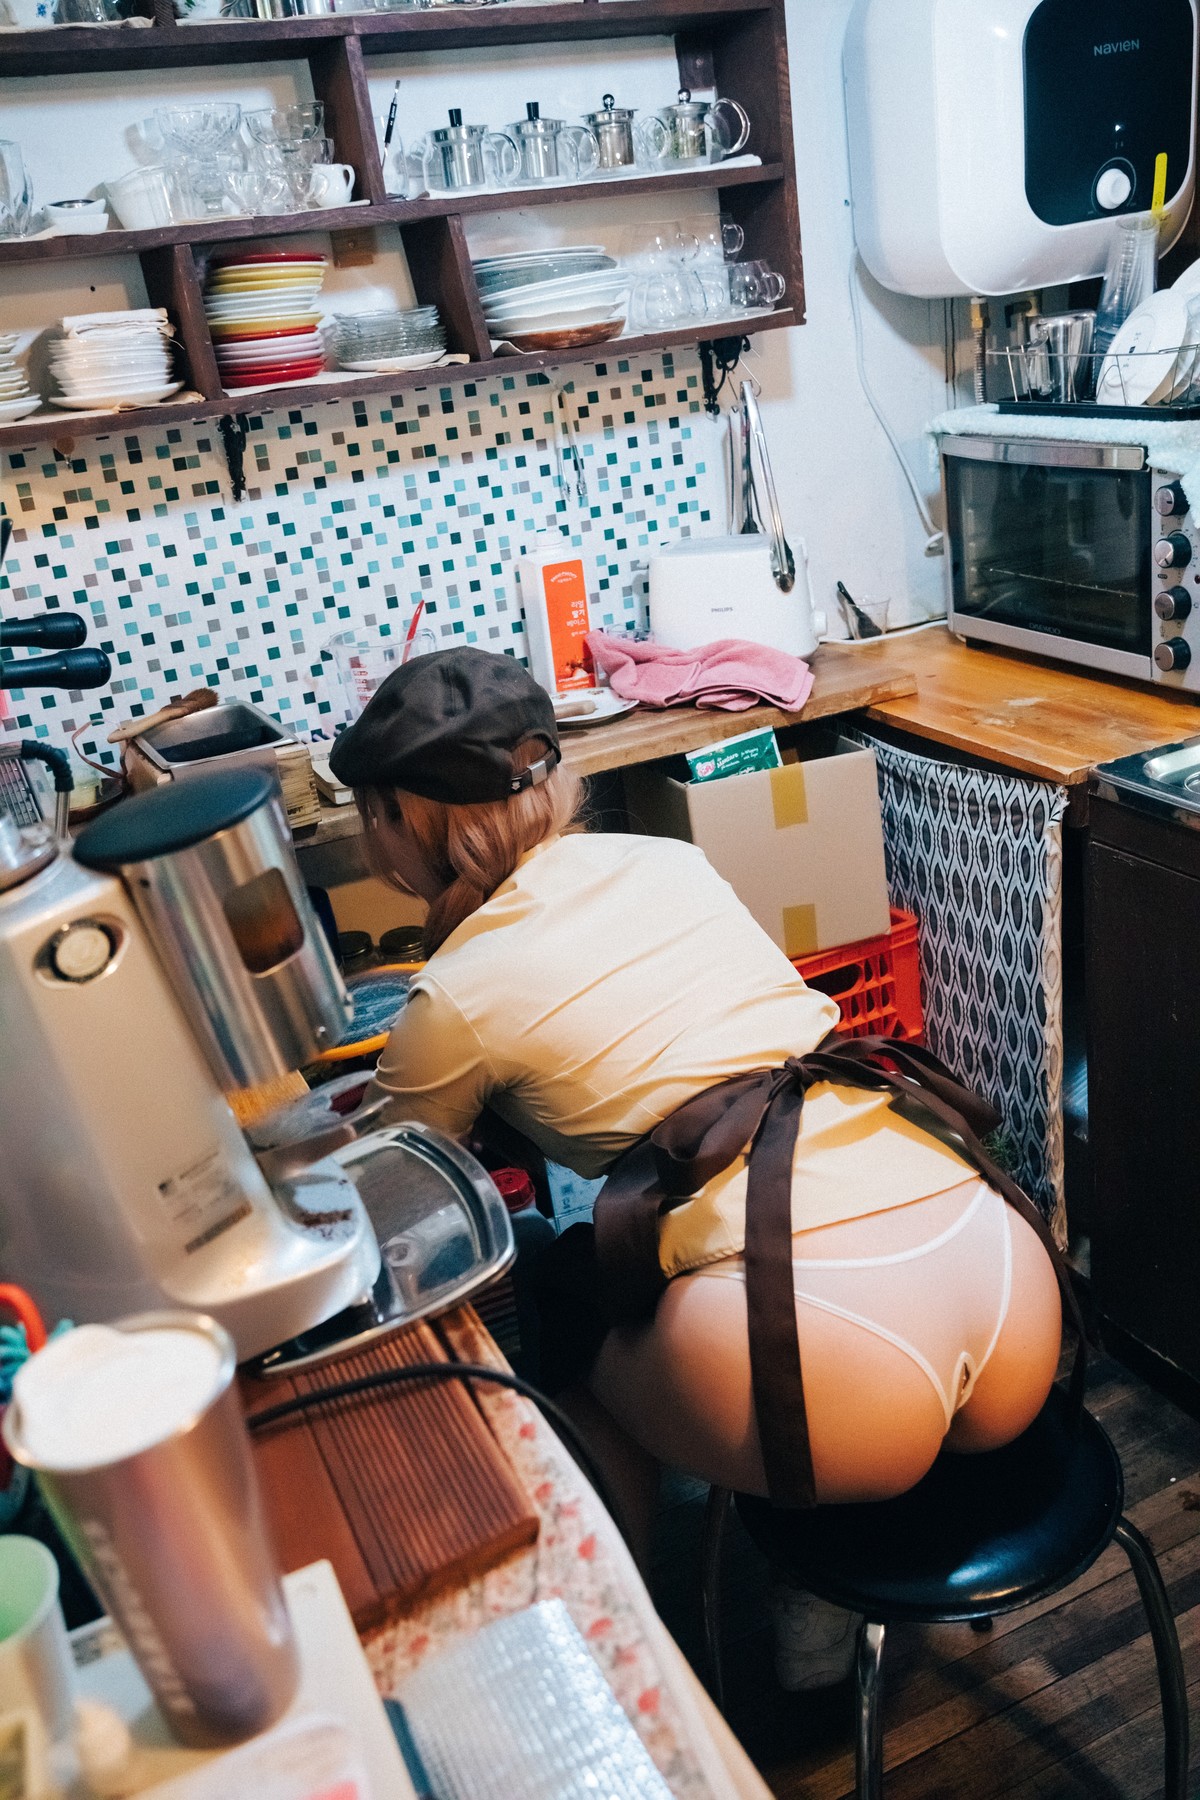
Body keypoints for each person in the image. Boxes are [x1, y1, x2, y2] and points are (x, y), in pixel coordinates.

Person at [329, 646, 1067, 1688]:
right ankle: (820, 1585)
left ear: (403, 822)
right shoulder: (664, 861)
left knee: (569, 1320)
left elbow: (386, 1192)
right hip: (1001, 1275)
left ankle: (618, 1664)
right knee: (728, 1290)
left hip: (827, 1368)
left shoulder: (453, 996)